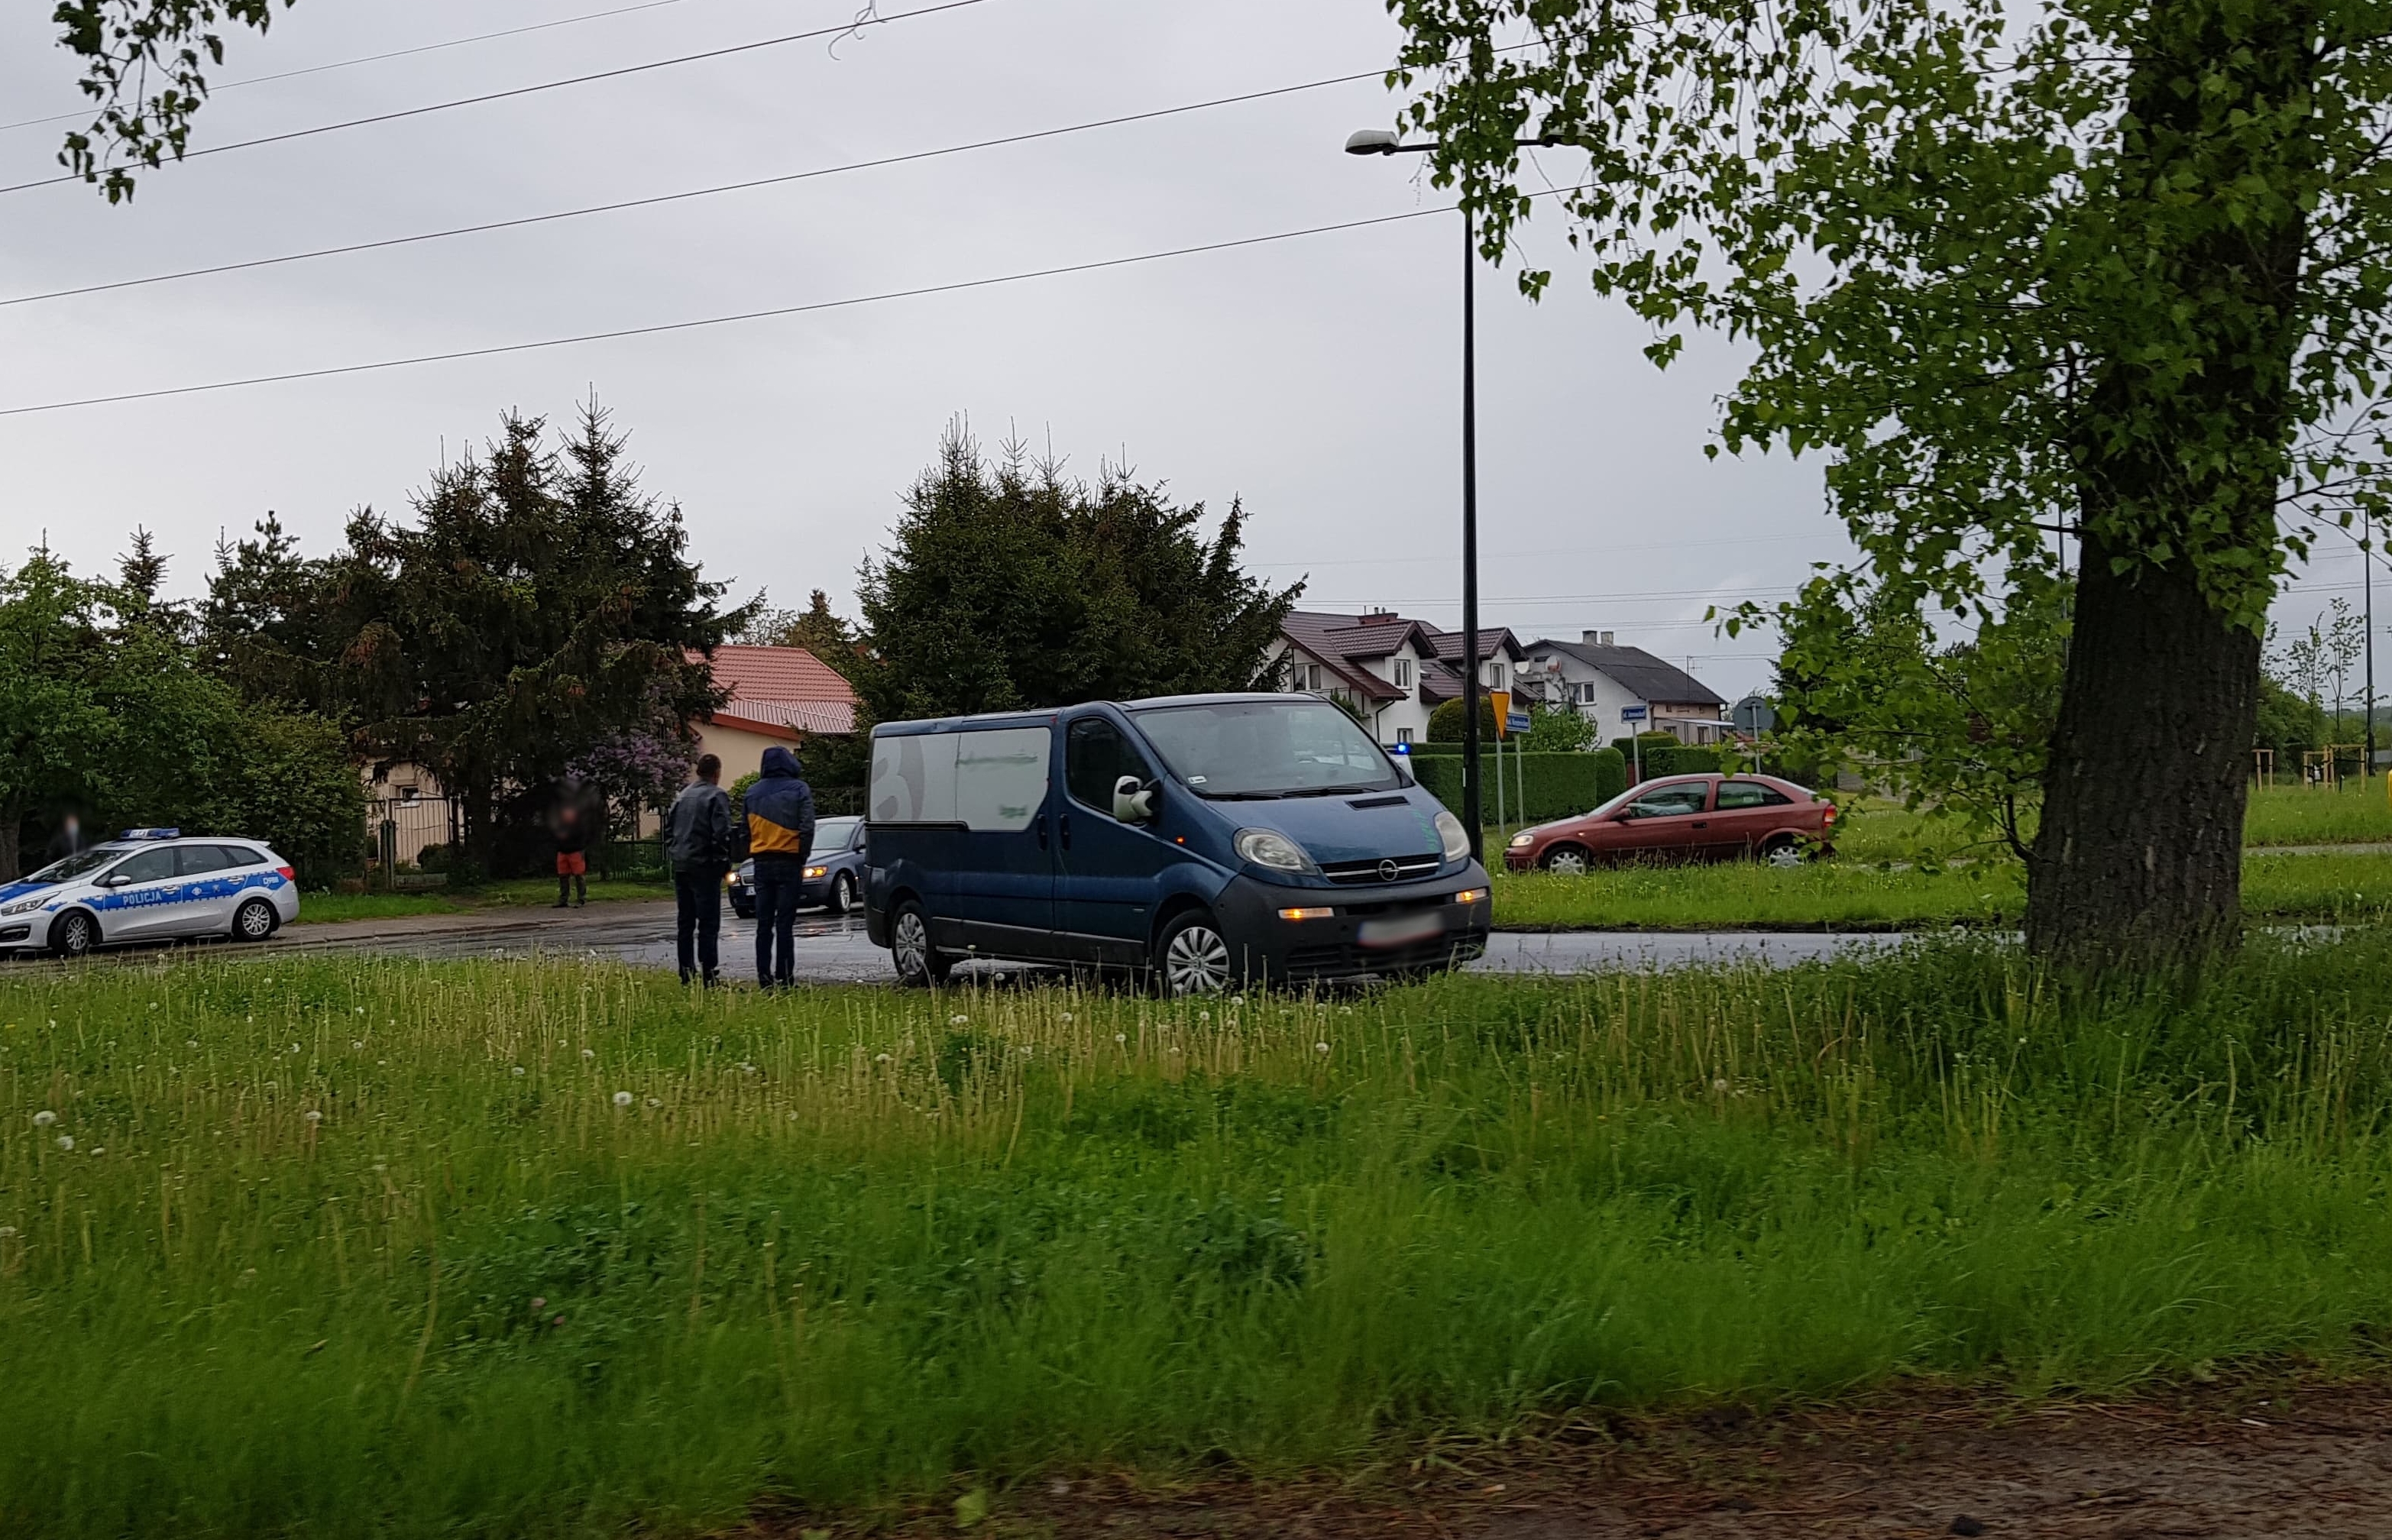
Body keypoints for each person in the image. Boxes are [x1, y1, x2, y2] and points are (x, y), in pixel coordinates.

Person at [742, 744, 816, 988]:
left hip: (761, 862)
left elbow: (745, 831)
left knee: (763, 924)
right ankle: (785, 978)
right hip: (789, 861)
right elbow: (807, 827)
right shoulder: (799, 789)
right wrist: (801, 855)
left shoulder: (752, 793)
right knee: (785, 923)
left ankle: (764, 979)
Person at [664, 753, 733, 985]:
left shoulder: (682, 796)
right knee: (708, 921)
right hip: (705, 865)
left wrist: (675, 852)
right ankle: (709, 972)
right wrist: (723, 862)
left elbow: (668, 830)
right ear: (717, 772)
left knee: (685, 920)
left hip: (682, 863)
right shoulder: (717, 795)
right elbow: (721, 833)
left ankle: (686, 970)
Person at [549, 778, 595, 909]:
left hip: (576, 849)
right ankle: (563, 899)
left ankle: (581, 899)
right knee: (563, 876)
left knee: (578, 875)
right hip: (563, 850)